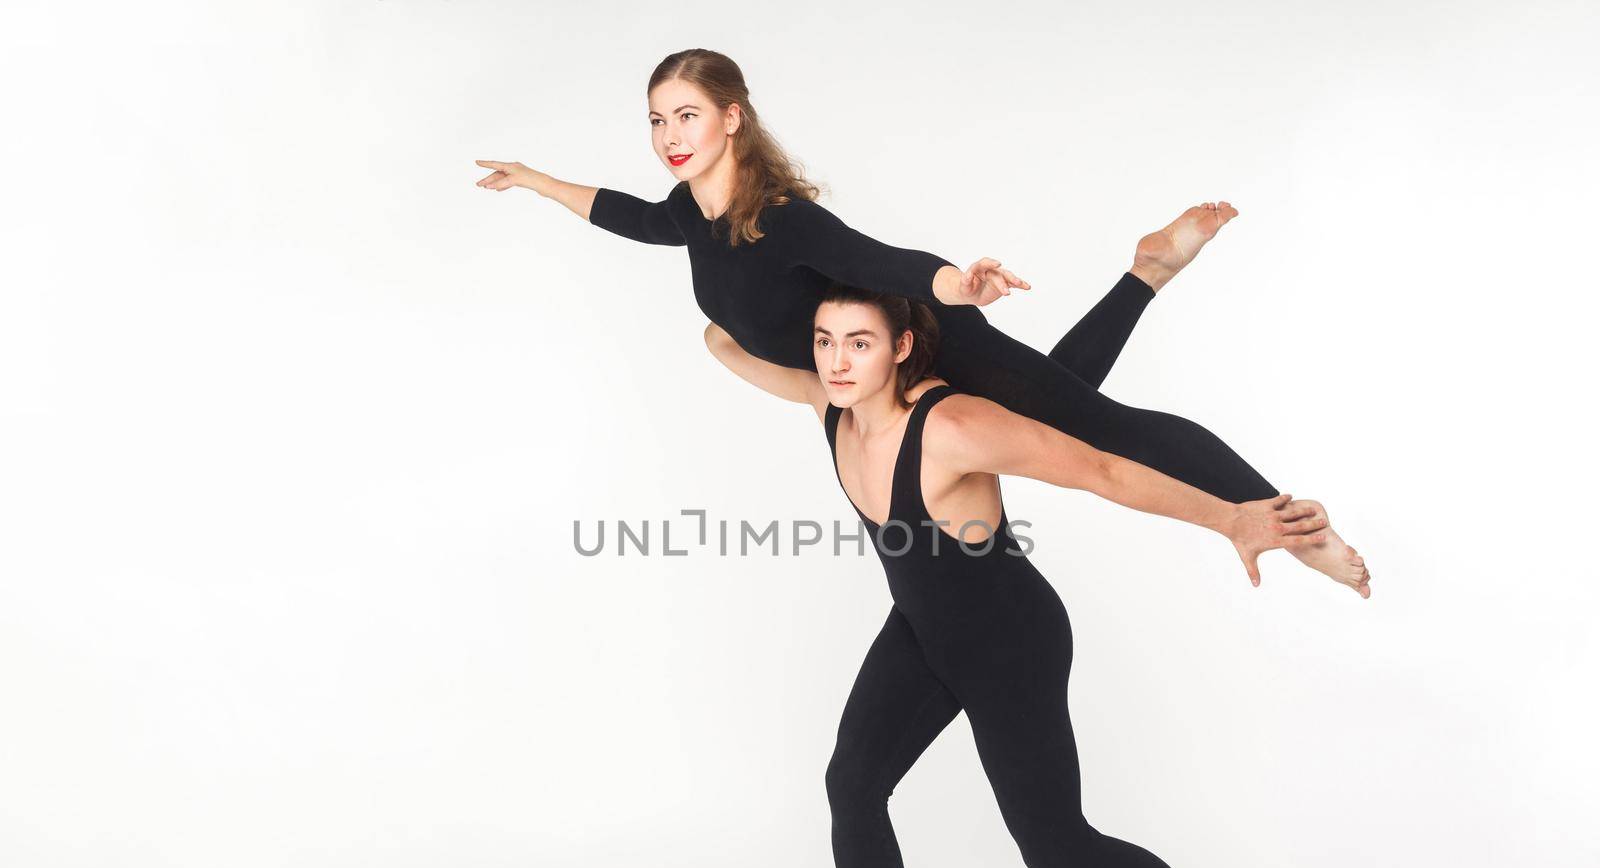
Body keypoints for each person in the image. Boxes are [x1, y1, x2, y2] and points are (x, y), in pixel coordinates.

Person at [475, 46, 1371, 596]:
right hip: (876, 388)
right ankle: (1144, 274)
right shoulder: (684, 211)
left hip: (928, 340)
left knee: (1097, 427)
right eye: (658, 119)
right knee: (1059, 406)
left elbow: (877, 262)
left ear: (732, 118)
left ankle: (1289, 524)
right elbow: (623, 212)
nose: (671, 134)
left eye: (689, 115)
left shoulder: (782, 215)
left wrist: (954, 281)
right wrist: (533, 178)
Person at [702, 284, 1333, 868]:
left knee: (1055, 846)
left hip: (1011, 639)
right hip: (924, 631)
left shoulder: (953, 426)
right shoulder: (828, 401)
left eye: (860, 341)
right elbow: (720, 339)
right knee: (852, 785)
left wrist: (1233, 517)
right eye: (825, 339)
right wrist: (751, 271)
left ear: (901, 346)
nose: (837, 360)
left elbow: (1100, 464)